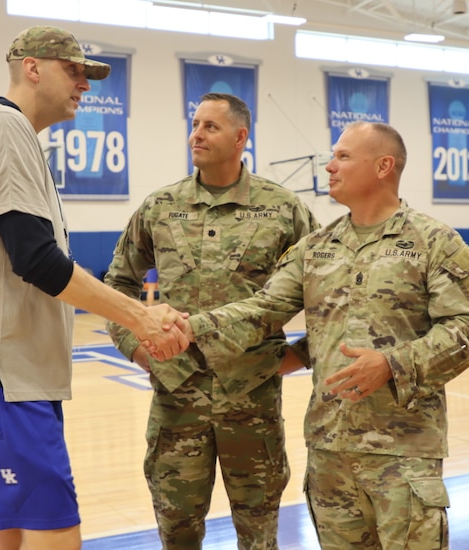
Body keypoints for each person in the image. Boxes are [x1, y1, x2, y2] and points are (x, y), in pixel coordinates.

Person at [183, 121, 469, 549]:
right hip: (330, 453)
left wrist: (392, 364)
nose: (329, 166)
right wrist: (187, 327)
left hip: (403, 456)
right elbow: (262, 309)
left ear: (384, 166)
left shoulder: (434, 242)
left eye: (343, 156)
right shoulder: (316, 247)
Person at [0, 25, 188, 550]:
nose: (86, 85)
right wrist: (140, 316)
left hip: (7, 379)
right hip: (4, 381)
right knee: (57, 532)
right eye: (74, 71)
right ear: (33, 67)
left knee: (8, 532)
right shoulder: (4, 129)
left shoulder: (9, 134)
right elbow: (39, 262)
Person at [103, 92, 320, 549]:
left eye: (210, 126)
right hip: (176, 401)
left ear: (241, 137)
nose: (196, 134)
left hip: (252, 404)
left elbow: (327, 293)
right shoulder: (160, 207)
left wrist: (298, 356)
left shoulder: (284, 209)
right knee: (177, 530)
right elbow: (117, 285)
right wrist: (138, 349)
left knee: (258, 531)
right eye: (195, 124)